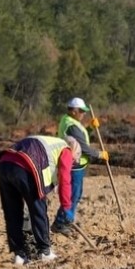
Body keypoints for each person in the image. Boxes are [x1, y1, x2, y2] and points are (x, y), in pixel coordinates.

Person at [0, 135, 78, 264]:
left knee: (12, 212)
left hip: (4, 163)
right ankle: (45, 252)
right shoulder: (66, 150)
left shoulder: (49, 141)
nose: (73, 163)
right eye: (74, 161)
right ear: (74, 151)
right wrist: (66, 206)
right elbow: (65, 178)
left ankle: (19, 254)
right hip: (25, 166)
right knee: (38, 209)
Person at [53, 97, 108, 235]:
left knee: (75, 195)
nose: (83, 114)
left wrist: (90, 127)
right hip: (73, 166)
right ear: (74, 111)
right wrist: (99, 154)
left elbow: (80, 138)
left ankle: (64, 221)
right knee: (73, 195)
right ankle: (61, 223)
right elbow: (83, 147)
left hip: (76, 164)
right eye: (81, 111)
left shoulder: (70, 121)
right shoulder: (71, 125)